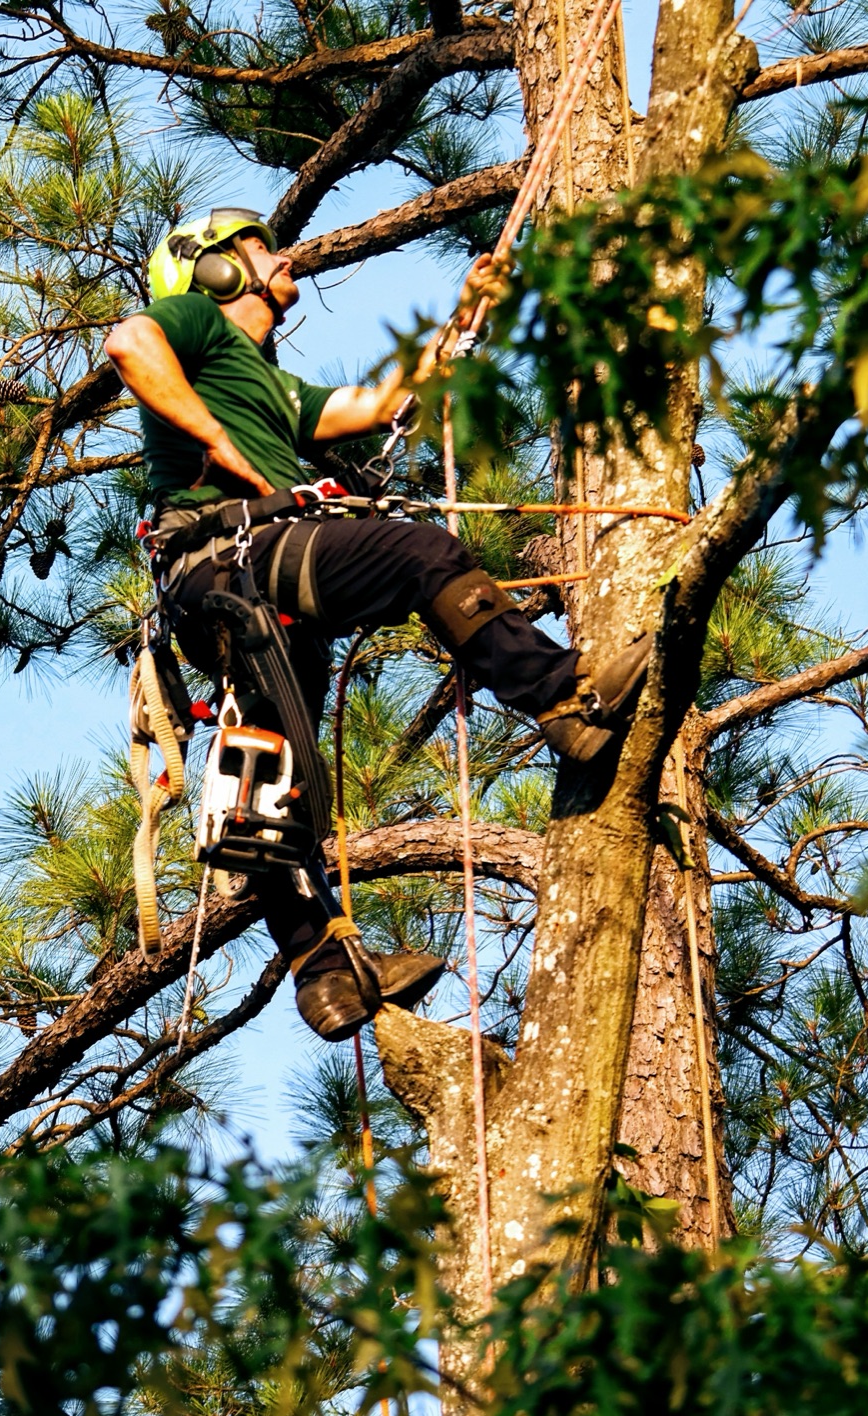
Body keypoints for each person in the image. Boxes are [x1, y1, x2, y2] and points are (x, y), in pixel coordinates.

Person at [105, 206, 649, 1042]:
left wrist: (469, 318)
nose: (280, 254)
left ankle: (323, 976)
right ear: (215, 271)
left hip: (248, 586)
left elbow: (391, 401)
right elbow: (129, 345)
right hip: (233, 556)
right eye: (258, 246)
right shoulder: (195, 325)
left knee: (269, 785)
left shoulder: (274, 384)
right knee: (419, 555)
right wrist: (216, 441)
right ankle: (560, 698)